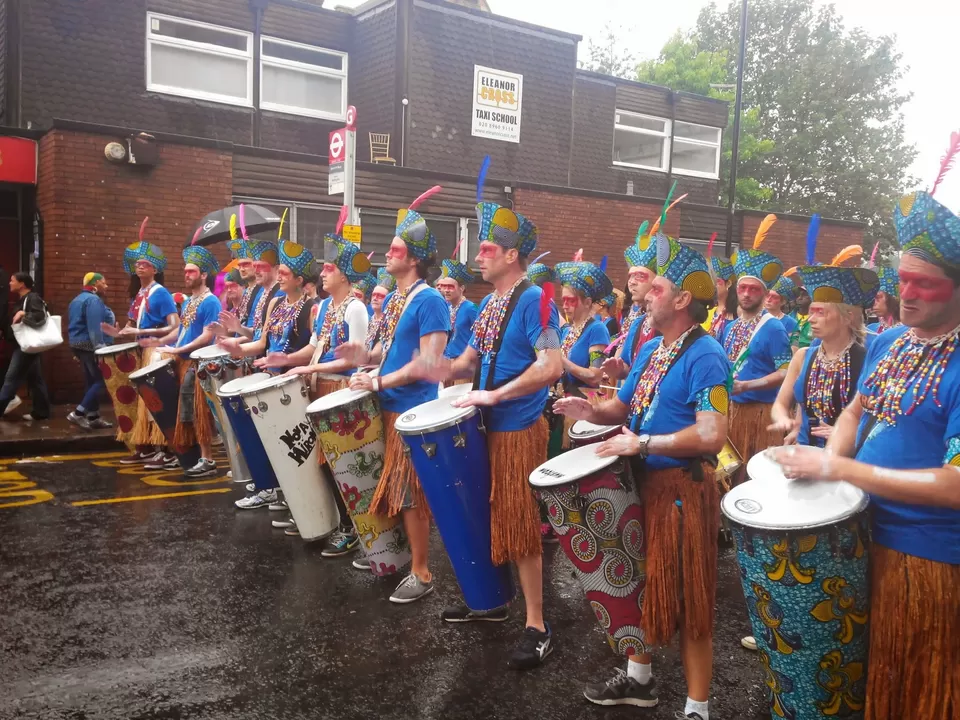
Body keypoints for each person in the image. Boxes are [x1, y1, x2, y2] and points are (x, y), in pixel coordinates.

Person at [774, 189, 960, 720]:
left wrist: (839, 467)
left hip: (927, 559)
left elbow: (956, 484)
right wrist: (832, 477)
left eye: (924, 284)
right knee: (869, 677)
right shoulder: (891, 343)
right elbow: (855, 412)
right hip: (862, 538)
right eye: (902, 279)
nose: (905, 294)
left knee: (919, 688)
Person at [555, 235, 728, 720]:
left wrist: (645, 443)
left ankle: (698, 708)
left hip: (683, 492)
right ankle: (639, 681)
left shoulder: (707, 354)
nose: (647, 292)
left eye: (658, 287)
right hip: (644, 485)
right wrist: (589, 407)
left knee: (692, 600)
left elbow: (712, 434)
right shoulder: (654, 350)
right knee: (638, 585)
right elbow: (622, 404)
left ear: (682, 300)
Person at [412, 198, 562, 670]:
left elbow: (552, 365)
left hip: (518, 427)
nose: (479, 256)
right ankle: (491, 601)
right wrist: (428, 365)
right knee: (484, 513)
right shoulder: (493, 304)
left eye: (488, 248)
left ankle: (537, 625)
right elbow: (466, 363)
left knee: (518, 524)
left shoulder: (537, 300)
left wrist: (498, 396)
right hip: (484, 426)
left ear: (512, 256)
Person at [334, 190, 450, 605]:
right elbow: (387, 352)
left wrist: (378, 383)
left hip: (412, 410)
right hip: (388, 407)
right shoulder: (398, 299)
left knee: (410, 493)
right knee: (392, 489)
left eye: (395, 249)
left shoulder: (431, 300)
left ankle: (422, 571)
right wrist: (362, 358)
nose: (387, 253)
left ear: (414, 259)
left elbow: (429, 362)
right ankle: (398, 555)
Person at [272, 233, 370, 548]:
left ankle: (353, 529)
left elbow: (358, 359)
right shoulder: (326, 305)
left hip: (341, 392)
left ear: (343, 274)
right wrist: (287, 359)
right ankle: (334, 520)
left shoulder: (356, 309)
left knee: (342, 464)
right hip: (320, 389)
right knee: (322, 462)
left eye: (328, 268)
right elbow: (314, 348)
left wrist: (311, 368)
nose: (323, 274)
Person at [769, 262, 877, 448]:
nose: (811, 319)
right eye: (812, 312)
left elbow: (875, 419)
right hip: (804, 452)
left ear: (848, 316)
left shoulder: (866, 360)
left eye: (821, 312)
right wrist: (786, 421)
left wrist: (847, 432)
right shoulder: (803, 356)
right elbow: (781, 403)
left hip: (842, 458)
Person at [722, 215, 792, 484]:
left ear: (764, 295)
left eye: (754, 289)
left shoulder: (773, 328)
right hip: (731, 412)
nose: (747, 293)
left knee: (755, 478)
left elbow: (786, 371)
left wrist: (749, 385)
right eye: (743, 287)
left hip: (760, 415)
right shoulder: (730, 328)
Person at [102, 233, 180, 468]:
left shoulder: (161, 293)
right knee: (144, 403)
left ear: (154, 269)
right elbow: (133, 325)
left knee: (158, 401)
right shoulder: (139, 294)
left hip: (158, 351)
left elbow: (175, 325)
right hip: (143, 351)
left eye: (144, 264)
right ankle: (147, 446)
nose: (139, 267)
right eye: (136, 264)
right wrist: (120, 333)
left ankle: (168, 448)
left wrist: (140, 333)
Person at [145, 246, 222, 477]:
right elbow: (182, 331)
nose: (186, 275)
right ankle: (193, 455)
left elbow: (208, 336)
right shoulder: (188, 302)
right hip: (183, 362)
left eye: (191, 271)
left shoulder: (211, 302)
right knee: (187, 413)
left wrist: (180, 349)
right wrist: (160, 342)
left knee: (199, 413)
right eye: (185, 271)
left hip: (199, 365)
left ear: (204, 275)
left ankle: (207, 459)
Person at [554, 260, 612, 444]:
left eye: (571, 301)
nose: (565, 306)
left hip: (583, 407)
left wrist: (563, 362)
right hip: (563, 404)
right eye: (563, 300)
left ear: (587, 302)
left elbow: (595, 376)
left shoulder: (597, 330)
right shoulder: (566, 331)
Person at [604, 222, 660, 384]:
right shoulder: (637, 323)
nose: (631, 282)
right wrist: (617, 369)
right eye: (630, 276)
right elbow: (627, 367)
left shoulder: (668, 322)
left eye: (640, 277)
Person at [0, 272, 52, 420]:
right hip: (25, 344)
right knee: (36, 379)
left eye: (12, 280)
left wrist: (24, 314)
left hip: (25, 346)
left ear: (22, 284)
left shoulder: (32, 298)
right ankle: (41, 412)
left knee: (10, 379)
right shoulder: (23, 299)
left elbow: (40, 317)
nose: (10, 283)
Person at [67, 272, 115, 429]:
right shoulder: (93, 300)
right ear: (95, 284)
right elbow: (94, 327)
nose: (106, 286)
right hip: (91, 346)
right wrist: (100, 348)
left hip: (79, 345)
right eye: (103, 283)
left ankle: (93, 416)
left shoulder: (76, 300)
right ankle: (78, 413)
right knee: (101, 380)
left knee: (90, 381)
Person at [215, 240, 282, 342]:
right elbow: (256, 333)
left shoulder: (280, 293)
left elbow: (267, 340)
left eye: (261, 266)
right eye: (255, 266)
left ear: (276, 268)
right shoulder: (259, 293)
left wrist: (236, 342)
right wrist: (236, 329)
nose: (256, 271)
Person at [437, 257, 478, 361]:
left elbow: (479, 337)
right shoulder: (447, 307)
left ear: (462, 288)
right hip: (446, 361)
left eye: (450, 287)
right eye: (444, 287)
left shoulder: (470, 308)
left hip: (462, 363)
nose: (446, 290)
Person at [704, 255, 738, 340]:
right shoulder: (708, 310)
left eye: (717, 281)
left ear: (728, 284)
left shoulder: (738, 313)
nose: (712, 285)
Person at [364, 268, 394, 352]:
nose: (375, 298)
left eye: (380, 296)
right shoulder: (367, 319)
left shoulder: (390, 323)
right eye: (374, 295)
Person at [867, 265, 900, 334]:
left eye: (878, 297)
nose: (872, 303)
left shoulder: (907, 332)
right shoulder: (869, 331)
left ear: (892, 297)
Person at [765, 275, 800, 339]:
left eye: (774, 297)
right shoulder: (755, 317)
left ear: (783, 302)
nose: (769, 299)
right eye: (767, 295)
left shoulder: (791, 323)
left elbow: (794, 345)